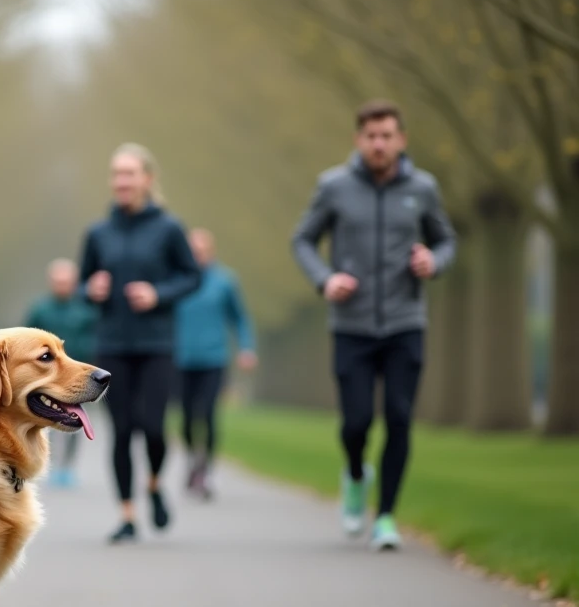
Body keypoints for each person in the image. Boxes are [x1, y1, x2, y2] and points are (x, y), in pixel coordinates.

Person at [291, 99, 456, 551]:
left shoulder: (423, 188)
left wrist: (433, 261)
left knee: (400, 419)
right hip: (352, 325)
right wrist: (326, 280)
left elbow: (446, 240)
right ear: (358, 140)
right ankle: (357, 473)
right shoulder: (334, 186)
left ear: (401, 139)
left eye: (387, 136)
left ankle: (385, 517)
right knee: (356, 423)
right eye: (371, 136)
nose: (379, 144)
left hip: (406, 322)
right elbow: (303, 239)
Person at [80, 143, 202, 544]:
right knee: (121, 430)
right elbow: (85, 283)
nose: (121, 181)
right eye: (116, 174)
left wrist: (158, 294)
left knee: (152, 426)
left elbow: (191, 277)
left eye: (129, 174)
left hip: (156, 343)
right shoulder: (99, 233)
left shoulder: (168, 229)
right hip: (112, 342)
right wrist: (92, 288)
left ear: (147, 179)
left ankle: (152, 483)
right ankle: (127, 515)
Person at [174, 228, 256, 499]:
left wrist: (246, 348)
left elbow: (240, 318)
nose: (197, 256)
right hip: (180, 359)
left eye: (201, 251)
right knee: (186, 418)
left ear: (211, 251)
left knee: (207, 414)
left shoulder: (225, 281)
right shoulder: (175, 280)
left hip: (213, 359)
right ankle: (191, 458)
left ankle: (204, 470)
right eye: (192, 251)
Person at [24, 258, 98, 488]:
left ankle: (68, 465)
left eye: (66, 281)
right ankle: (51, 462)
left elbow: (96, 338)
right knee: (47, 417)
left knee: (76, 417)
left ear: (74, 283)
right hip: (48, 376)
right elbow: (26, 338)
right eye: (58, 281)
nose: (62, 285)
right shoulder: (40, 309)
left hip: (78, 375)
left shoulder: (87, 311)